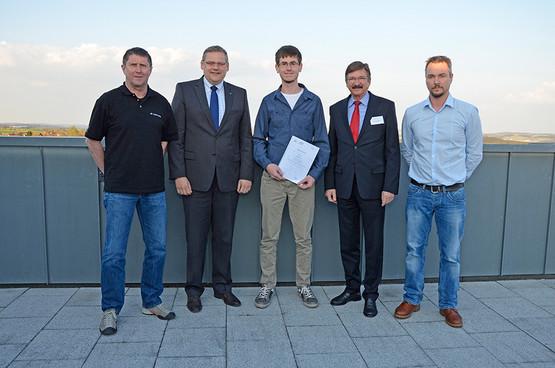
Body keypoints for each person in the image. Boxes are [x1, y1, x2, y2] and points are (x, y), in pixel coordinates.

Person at [85, 47, 178, 335]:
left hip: (153, 190)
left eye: (144, 65)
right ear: (123, 67)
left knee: (157, 249)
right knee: (114, 253)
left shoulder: (161, 103)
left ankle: (151, 301)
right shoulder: (108, 101)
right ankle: (110, 309)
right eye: (133, 65)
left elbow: (165, 141)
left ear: (151, 69)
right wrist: (108, 170)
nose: (139, 70)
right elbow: (92, 140)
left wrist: (147, 164)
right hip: (119, 190)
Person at [394, 56, 483, 328]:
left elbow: (474, 153)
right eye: (432, 75)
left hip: (453, 196)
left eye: (442, 75)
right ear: (425, 78)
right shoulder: (412, 113)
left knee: (451, 254)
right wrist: (426, 176)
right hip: (418, 193)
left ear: (451, 78)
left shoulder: (467, 112)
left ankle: (448, 305)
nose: (436, 80)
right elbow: (407, 150)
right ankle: (412, 298)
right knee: (413, 251)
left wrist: (454, 178)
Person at [167, 45, 253, 313]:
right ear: (201, 64)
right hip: (193, 179)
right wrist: (179, 174)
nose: (216, 67)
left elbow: (245, 139)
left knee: (224, 236)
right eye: (211, 63)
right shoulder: (184, 90)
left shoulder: (239, 94)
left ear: (227, 66)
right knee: (195, 237)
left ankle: (223, 287)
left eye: (221, 63)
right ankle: (193, 291)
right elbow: (175, 136)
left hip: (229, 178)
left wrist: (246, 174)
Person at [252, 45, 330, 309]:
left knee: (303, 237)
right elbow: (256, 140)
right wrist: (267, 164)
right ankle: (266, 286)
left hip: (303, 182)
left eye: (293, 63)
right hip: (273, 179)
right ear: (276, 67)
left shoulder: (314, 102)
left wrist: (315, 174)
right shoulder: (267, 102)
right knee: (269, 236)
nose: (288, 67)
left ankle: (304, 285)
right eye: (283, 63)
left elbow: (322, 142)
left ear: (300, 67)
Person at [324, 61, 400, 317]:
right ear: (346, 81)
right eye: (351, 79)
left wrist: (390, 186)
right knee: (348, 241)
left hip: (375, 187)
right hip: (344, 186)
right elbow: (332, 149)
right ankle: (352, 288)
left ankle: (371, 294)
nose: (356, 83)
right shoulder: (336, 109)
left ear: (369, 80)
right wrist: (330, 184)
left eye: (361, 78)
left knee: (374, 243)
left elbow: (392, 150)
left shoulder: (385, 107)